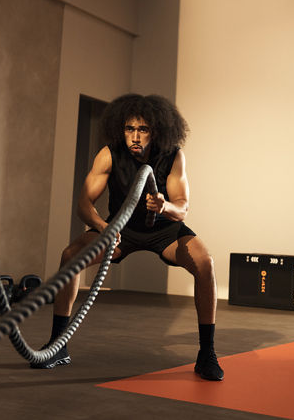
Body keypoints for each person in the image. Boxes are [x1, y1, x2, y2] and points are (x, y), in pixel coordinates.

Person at [31, 93, 224, 381]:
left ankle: (206, 353)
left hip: (164, 229)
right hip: (121, 229)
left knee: (205, 263)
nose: (134, 136)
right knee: (71, 256)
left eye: (142, 129)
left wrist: (164, 205)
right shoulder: (109, 154)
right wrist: (103, 226)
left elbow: (182, 207)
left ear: (156, 130)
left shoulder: (172, 154)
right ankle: (59, 345)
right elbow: (84, 204)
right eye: (129, 129)